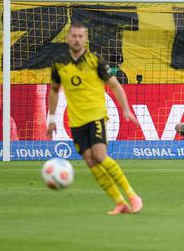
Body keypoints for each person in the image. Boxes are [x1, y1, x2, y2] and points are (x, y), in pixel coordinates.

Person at [45, 23, 143, 215]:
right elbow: (54, 90)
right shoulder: (59, 64)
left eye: (80, 36)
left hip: (96, 116)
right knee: (90, 162)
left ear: (86, 39)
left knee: (99, 156)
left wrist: (126, 109)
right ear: (68, 38)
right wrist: (52, 118)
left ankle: (133, 196)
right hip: (76, 121)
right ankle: (120, 203)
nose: (77, 39)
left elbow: (115, 85)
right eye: (74, 36)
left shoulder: (95, 61)